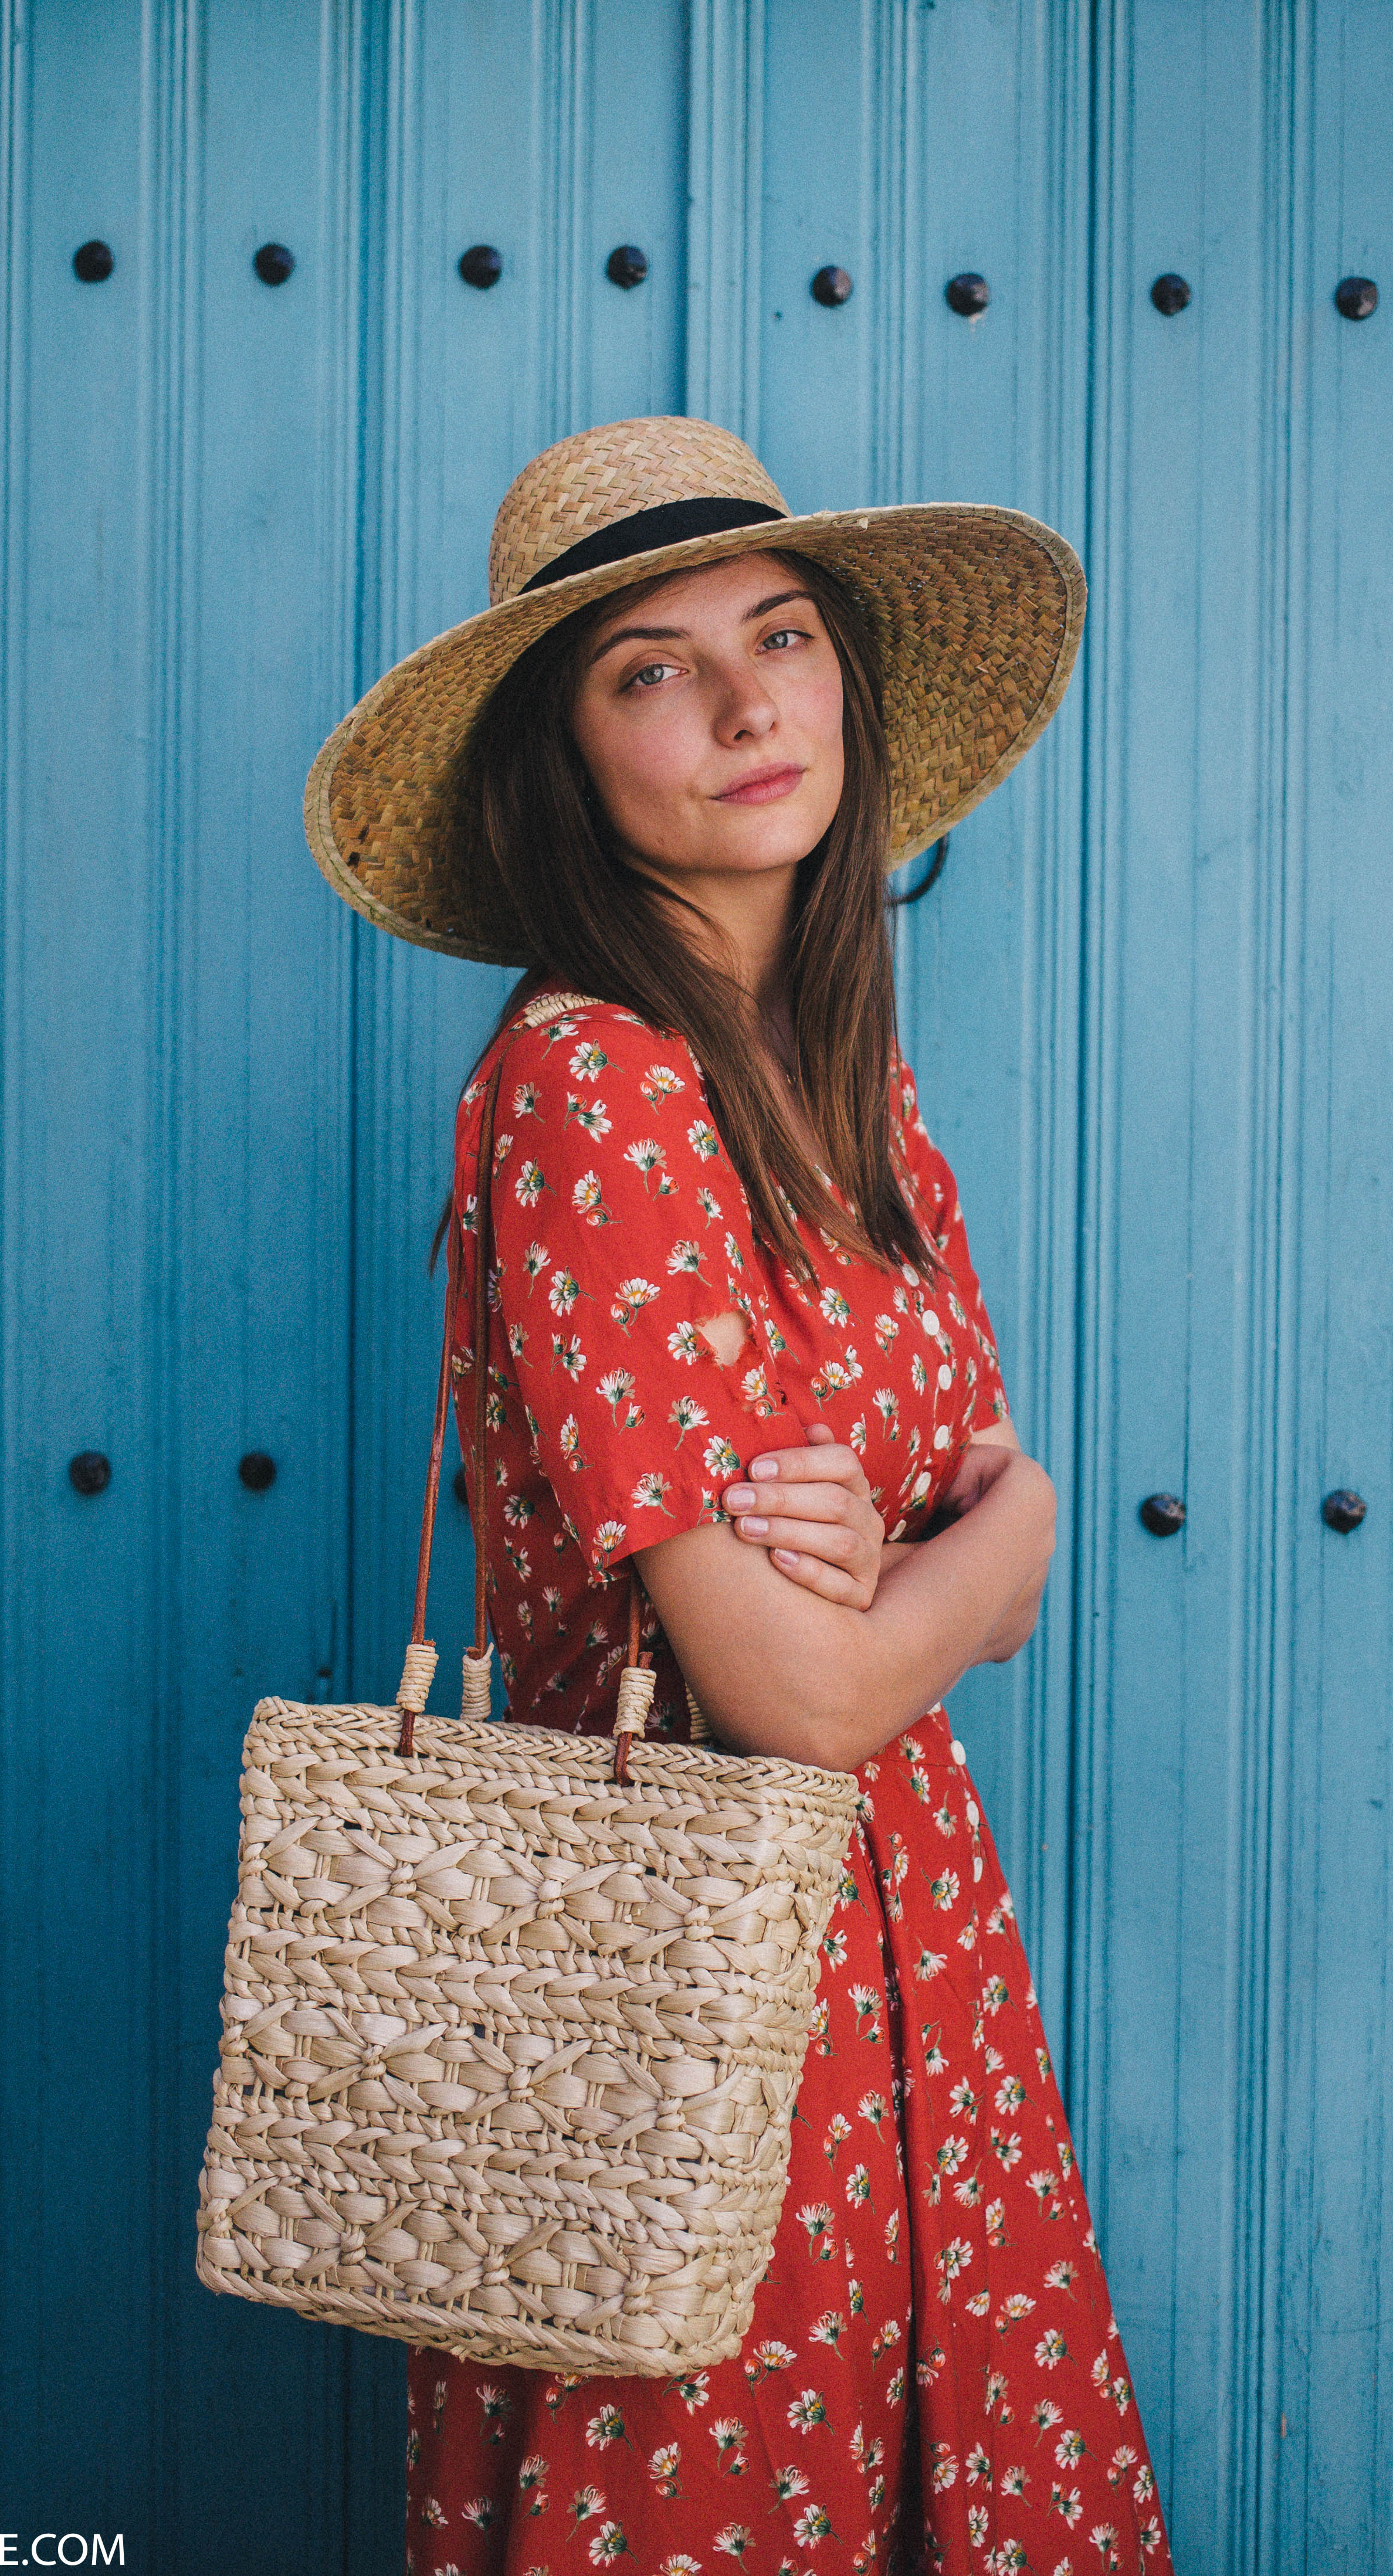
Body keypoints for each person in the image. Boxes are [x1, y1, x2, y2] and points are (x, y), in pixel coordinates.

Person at [305, 416, 1172, 2573]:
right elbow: (798, 1685)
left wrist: (957, 1558)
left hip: (912, 1968)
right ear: (563, 762)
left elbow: (944, 1544)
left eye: (781, 638)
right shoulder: (590, 1080)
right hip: (690, 2011)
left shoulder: (852, 1084)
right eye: (650, 669)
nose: (747, 702)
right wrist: (997, 1552)